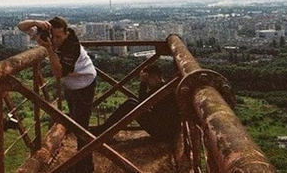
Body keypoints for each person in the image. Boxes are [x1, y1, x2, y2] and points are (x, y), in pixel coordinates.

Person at [18, 17, 96, 173]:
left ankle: (86, 166)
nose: (55, 40)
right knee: (76, 123)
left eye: (59, 37)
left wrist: (49, 49)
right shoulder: (47, 33)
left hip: (85, 84)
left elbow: (59, 73)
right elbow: (21, 26)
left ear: (66, 33)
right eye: (53, 36)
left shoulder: (72, 46)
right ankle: (82, 162)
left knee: (81, 127)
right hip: (71, 85)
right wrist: (36, 23)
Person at [90, 62, 179, 142]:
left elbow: (142, 105)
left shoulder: (161, 90)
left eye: (148, 80)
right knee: (131, 102)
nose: (147, 84)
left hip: (163, 133)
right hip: (164, 129)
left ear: (155, 77)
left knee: (131, 105)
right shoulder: (163, 87)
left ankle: (103, 131)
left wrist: (143, 83)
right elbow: (142, 103)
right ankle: (104, 130)